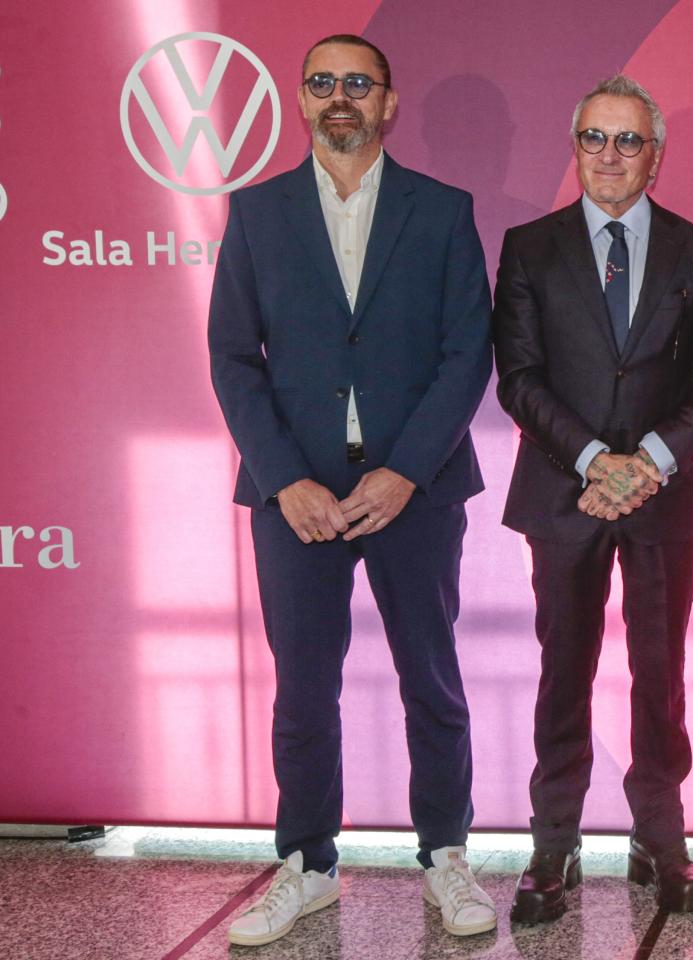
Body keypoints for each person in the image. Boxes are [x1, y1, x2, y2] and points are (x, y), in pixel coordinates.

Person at [209, 33, 496, 946]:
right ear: (300, 100)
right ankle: (308, 866)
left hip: (414, 484)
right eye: (323, 82)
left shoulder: (442, 210)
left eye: (359, 83)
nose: (341, 96)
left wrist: (407, 470)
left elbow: (467, 352)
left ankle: (446, 855)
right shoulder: (255, 213)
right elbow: (232, 358)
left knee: (432, 679)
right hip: (296, 492)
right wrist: (284, 478)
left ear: (388, 102)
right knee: (303, 689)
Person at [491, 74, 693, 922]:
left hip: (666, 496)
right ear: (575, 148)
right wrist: (598, 461)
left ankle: (659, 837)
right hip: (563, 490)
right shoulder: (530, 247)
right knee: (563, 670)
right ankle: (553, 841)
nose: (610, 154)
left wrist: (647, 464)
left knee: (660, 673)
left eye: (628, 139)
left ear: (655, 155)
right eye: (595, 137)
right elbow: (519, 378)